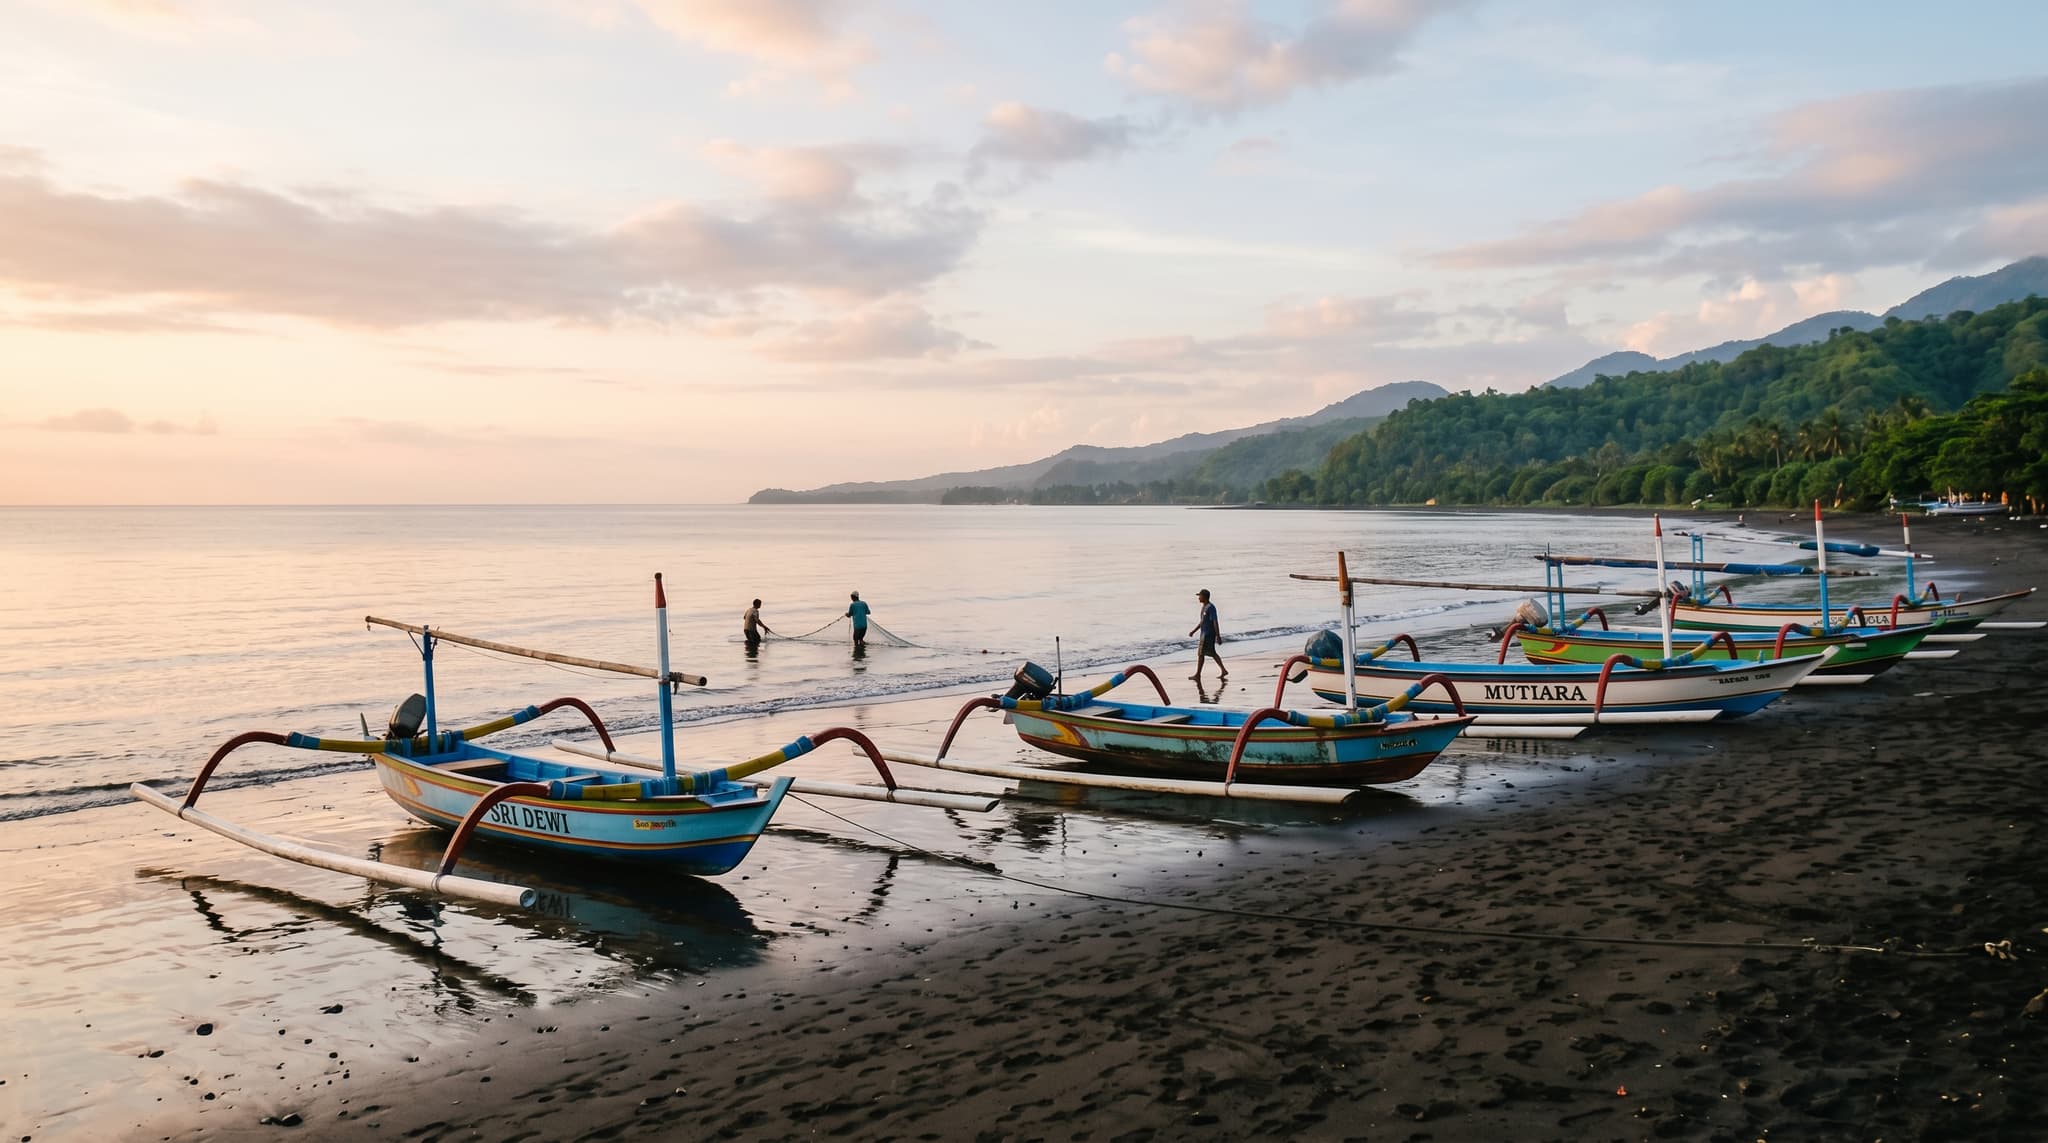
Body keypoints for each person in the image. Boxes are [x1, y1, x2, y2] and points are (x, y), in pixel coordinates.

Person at [1189, 588, 1226, 680]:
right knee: (1210, 653)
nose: (1198, 598)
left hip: (1209, 634)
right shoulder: (1204, 607)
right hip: (1203, 634)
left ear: (1204, 597)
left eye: (1200, 596)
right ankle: (1223, 670)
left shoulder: (1211, 607)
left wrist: (1218, 636)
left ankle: (1198, 675)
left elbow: (1215, 622)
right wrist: (1194, 631)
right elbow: (1202, 622)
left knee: (1202, 654)